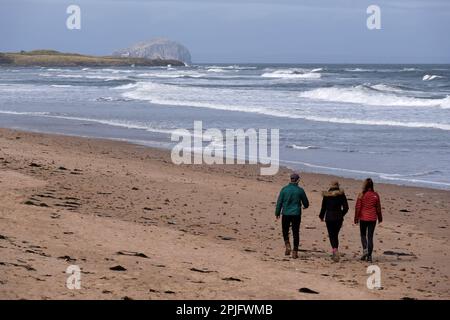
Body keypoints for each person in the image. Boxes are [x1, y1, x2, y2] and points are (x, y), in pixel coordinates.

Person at [275, 173, 309, 259]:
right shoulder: (300, 190)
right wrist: (304, 206)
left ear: (291, 179)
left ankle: (287, 245)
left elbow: (279, 202)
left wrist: (277, 212)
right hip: (296, 214)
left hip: (286, 213)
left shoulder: (284, 189)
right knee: (295, 232)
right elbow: (306, 203)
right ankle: (295, 251)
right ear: (298, 180)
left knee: (285, 230)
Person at [354, 178, 383, 263]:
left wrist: (356, 218)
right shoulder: (376, 195)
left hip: (363, 218)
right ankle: (369, 256)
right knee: (370, 237)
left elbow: (358, 207)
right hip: (372, 218)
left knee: (363, 235)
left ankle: (365, 251)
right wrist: (380, 218)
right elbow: (378, 208)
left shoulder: (361, 195)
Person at [319, 181, 349, 262]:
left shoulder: (326, 195)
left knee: (332, 235)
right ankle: (335, 251)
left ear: (331, 186)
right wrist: (341, 214)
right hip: (338, 218)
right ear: (338, 186)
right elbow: (346, 207)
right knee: (335, 235)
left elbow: (323, 207)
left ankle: (335, 251)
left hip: (329, 217)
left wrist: (321, 216)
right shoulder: (341, 195)